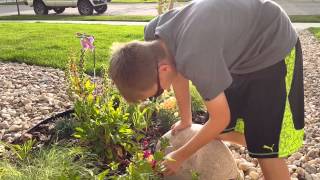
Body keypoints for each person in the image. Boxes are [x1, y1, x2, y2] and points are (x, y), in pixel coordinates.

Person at [108, 0, 305, 179]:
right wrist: (186, 119)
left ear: (163, 69)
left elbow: (220, 118)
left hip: (271, 44)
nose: (163, 93)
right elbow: (177, 69)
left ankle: (267, 142)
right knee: (219, 132)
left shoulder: (196, 57)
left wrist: (180, 155)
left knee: (266, 153)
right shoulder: (154, 34)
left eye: (157, 92)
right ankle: (260, 137)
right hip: (239, 52)